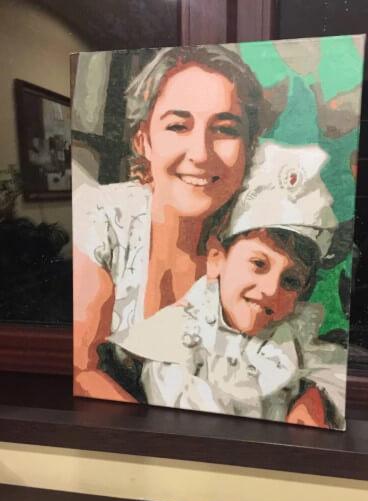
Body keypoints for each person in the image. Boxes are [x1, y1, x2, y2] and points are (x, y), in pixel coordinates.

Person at [73, 45, 273, 402]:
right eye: (178, 126)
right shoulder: (101, 217)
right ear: (144, 141)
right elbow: (80, 370)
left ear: (250, 146)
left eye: (224, 129)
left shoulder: (262, 235)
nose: (200, 153)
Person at [108, 141, 348, 429]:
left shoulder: (286, 329)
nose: (271, 290)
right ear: (216, 259)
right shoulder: (174, 348)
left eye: (290, 281)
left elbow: (332, 367)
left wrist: (313, 398)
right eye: (258, 264)